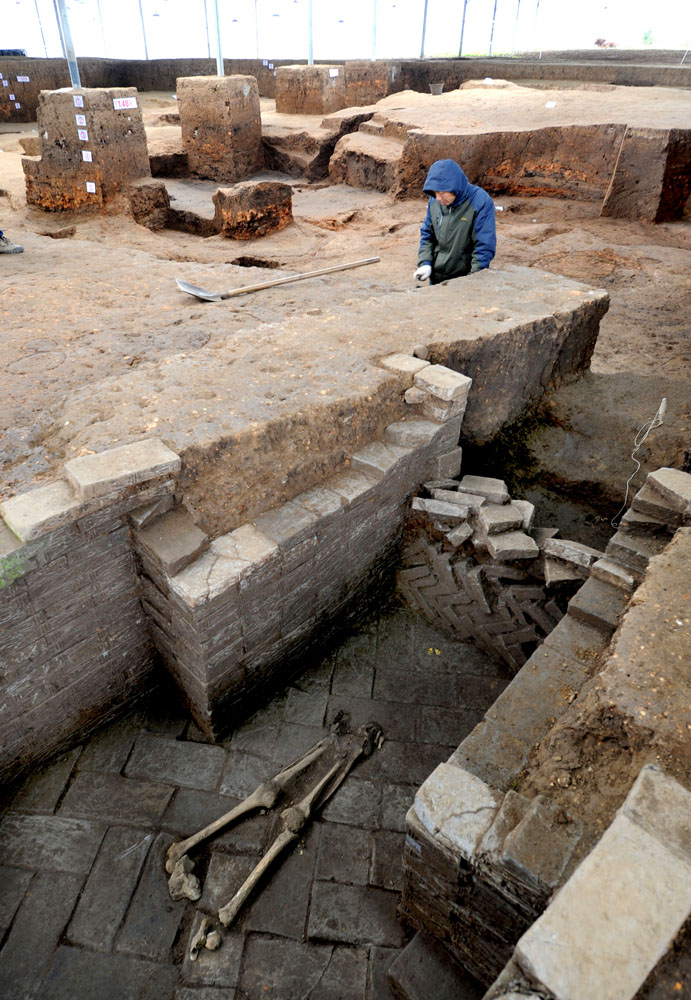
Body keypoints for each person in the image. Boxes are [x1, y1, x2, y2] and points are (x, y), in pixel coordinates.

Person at [414, 159, 495, 285]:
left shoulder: (480, 202)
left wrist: (472, 281)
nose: (438, 198)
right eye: (435, 193)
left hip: (463, 279)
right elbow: (427, 235)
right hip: (436, 278)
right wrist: (425, 263)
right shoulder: (435, 201)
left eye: (441, 193)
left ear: (454, 187)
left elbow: (484, 247)